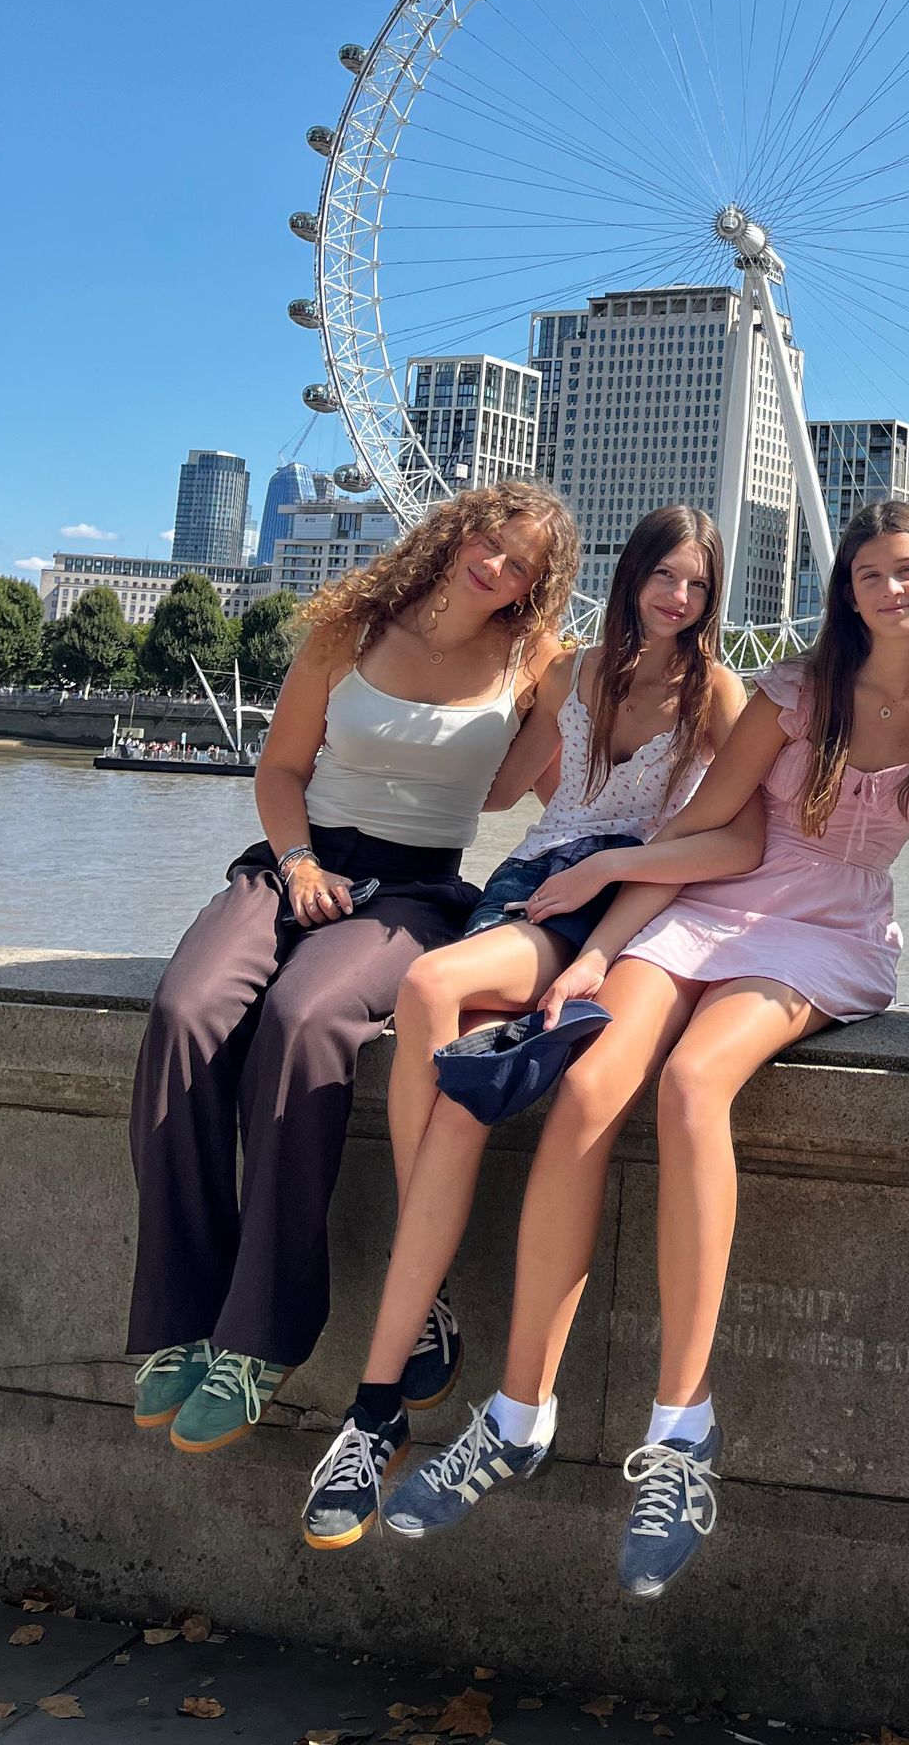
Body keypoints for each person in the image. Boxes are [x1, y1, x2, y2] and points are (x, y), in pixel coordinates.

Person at [376, 502, 909, 1599]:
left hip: (830, 930)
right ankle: (519, 1410)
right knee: (585, 1095)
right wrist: (594, 948)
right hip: (707, 905)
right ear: (844, 591)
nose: (886, 589)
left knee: (696, 1081)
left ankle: (680, 1430)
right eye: (865, 573)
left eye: (906, 570)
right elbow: (698, 833)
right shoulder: (794, 692)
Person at [299, 506, 749, 1547]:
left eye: (694, 585)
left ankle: (422, 1287)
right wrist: (398, 755)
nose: (676, 599)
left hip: (599, 901)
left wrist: (613, 870)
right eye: (662, 577)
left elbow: (739, 834)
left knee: (429, 990)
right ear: (632, 576)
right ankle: (374, 1416)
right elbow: (514, 786)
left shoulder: (714, 694)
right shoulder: (567, 673)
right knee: (457, 1109)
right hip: (527, 876)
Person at [126, 480, 578, 1455]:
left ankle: (260, 1340)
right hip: (297, 860)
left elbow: (563, 790)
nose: (497, 567)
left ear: (535, 589)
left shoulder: (537, 661)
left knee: (304, 1021)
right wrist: (296, 865)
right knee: (187, 1009)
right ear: (460, 532)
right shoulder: (352, 626)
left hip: (416, 890)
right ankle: (180, 1313)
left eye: (522, 567)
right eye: (491, 543)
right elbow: (281, 767)